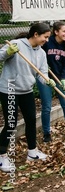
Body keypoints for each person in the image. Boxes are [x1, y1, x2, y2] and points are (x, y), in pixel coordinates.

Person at [0, 23, 55, 172]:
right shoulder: (16, 44)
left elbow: (41, 74)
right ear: (36, 34)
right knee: (11, 123)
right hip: (9, 89)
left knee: (31, 120)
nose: (47, 40)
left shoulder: (41, 53)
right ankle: (1, 155)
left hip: (26, 90)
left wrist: (47, 80)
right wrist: (8, 53)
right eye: (45, 37)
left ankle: (32, 152)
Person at [37, 21, 65, 143]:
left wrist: (64, 78)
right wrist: (44, 73)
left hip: (60, 78)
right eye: (64, 31)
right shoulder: (47, 43)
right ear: (56, 32)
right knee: (47, 107)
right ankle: (46, 133)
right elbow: (39, 57)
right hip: (45, 78)